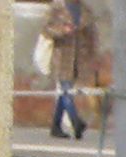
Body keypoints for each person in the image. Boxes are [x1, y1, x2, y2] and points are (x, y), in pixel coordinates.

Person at [42, 0, 94, 141]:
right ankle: (76, 121)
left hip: (78, 59)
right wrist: (62, 30)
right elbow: (46, 29)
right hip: (62, 58)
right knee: (66, 89)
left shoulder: (85, 9)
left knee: (65, 92)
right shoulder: (57, 7)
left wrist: (91, 56)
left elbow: (91, 35)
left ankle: (55, 126)